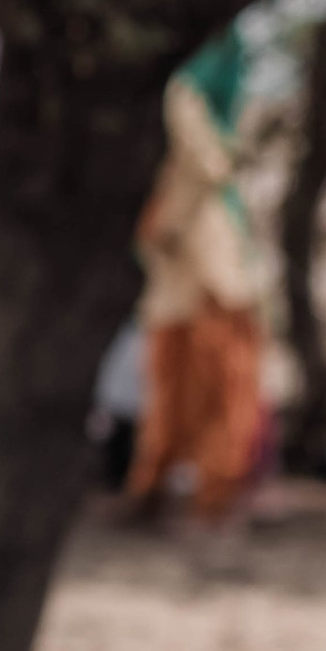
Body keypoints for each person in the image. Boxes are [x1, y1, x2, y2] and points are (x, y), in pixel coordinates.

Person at [126, 28, 270, 523]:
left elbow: (208, 161)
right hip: (196, 258)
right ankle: (179, 489)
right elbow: (206, 159)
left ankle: (199, 492)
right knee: (192, 377)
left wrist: (165, 224)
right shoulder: (184, 86)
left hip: (202, 257)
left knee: (208, 379)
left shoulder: (190, 83)